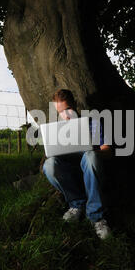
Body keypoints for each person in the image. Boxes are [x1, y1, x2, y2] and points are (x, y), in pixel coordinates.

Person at [42, 89, 113, 239]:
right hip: (70, 174)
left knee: (91, 156)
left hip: (91, 172)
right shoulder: (57, 130)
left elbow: (108, 150)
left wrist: (92, 152)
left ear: (74, 105)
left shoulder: (92, 122)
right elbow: (53, 162)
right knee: (49, 165)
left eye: (68, 109)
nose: (65, 115)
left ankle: (95, 216)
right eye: (61, 112)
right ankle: (77, 204)